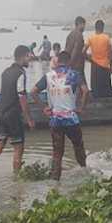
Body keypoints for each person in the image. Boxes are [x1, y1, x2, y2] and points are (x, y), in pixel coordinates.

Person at [31, 51, 88, 180]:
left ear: (57, 61)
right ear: (69, 61)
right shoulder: (74, 74)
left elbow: (33, 92)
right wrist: (81, 108)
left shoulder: (48, 76)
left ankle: (55, 181)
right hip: (71, 119)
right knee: (78, 146)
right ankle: (85, 171)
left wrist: (44, 108)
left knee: (57, 153)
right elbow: (85, 91)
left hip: (55, 119)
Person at [0, 45, 35, 176]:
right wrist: (29, 119)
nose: (30, 60)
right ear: (24, 56)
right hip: (13, 116)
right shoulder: (21, 73)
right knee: (18, 149)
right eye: (29, 56)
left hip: (2, 114)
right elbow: (22, 98)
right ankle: (17, 182)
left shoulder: (5, 72)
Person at [83, 20, 112, 98]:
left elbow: (83, 52)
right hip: (105, 67)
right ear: (102, 27)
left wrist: (89, 59)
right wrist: (111, 67)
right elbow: (110, 54)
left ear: (95, 28)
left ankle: (97, 103)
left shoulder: (90, 38)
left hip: (95, 67)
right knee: (106, 89)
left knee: (95, 88)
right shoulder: (107, 38)